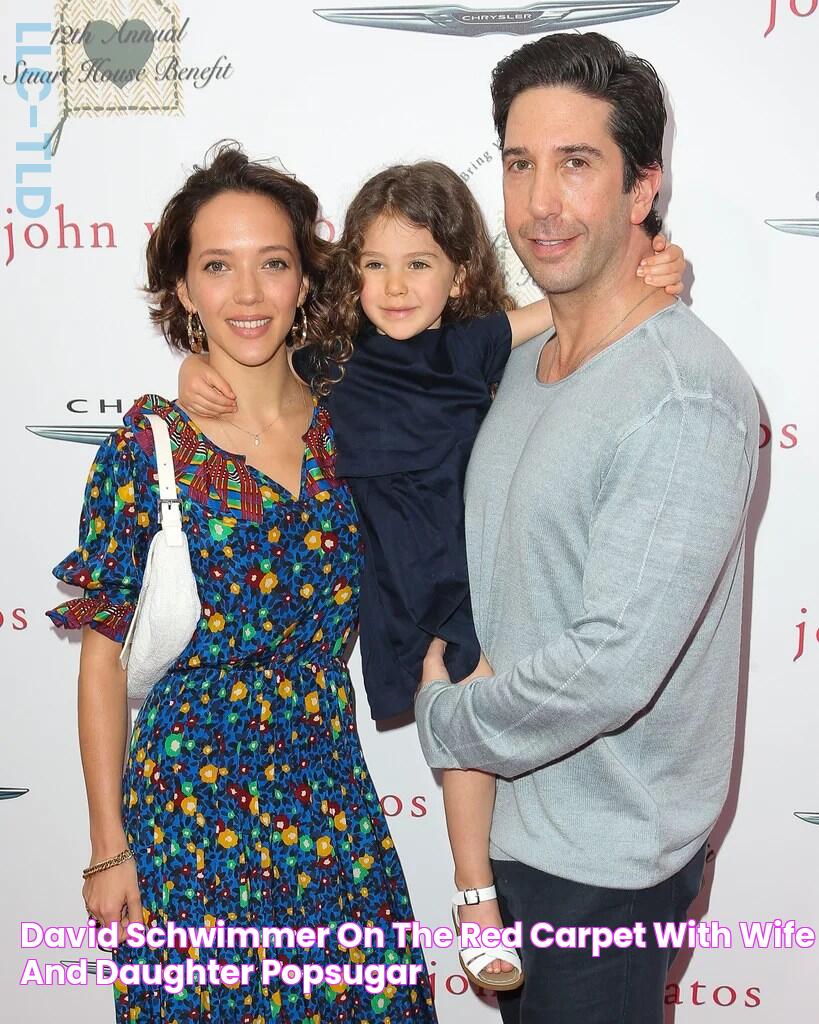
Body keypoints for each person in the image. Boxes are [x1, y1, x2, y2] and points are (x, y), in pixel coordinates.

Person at [177, 159, 684, 989]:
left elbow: (569, 307)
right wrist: (191, 370)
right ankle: (477, 890)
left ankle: (473, 894)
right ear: (348, 277)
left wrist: (650, 262)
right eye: (373, 265)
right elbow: (249, 365)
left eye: (418, 265)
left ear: (456, 275)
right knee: (456, 724)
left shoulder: (471, 346)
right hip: (391, 582)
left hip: (471, 568)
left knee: (474, 713)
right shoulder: (330, 363)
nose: (395, 286)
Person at [46, 143, 438, 1023]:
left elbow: (482, 341)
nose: (248, 294)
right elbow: (103, 665)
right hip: (187, 811)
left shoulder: (359, 427)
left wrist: (627, 286)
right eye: (217, 267)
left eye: (273, 264)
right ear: (183, 291)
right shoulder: (145, 454)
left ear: (306, 280)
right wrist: (110, 849)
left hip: (329, 794)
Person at [414, 32, 760, 1024]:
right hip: (518, 847)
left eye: (577, 164)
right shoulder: (516, 365)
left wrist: (444, 724)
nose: (538, 203)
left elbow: (610, 667)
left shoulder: (683, 396)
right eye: (520, 164)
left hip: (608, 871)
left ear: (641, 187)